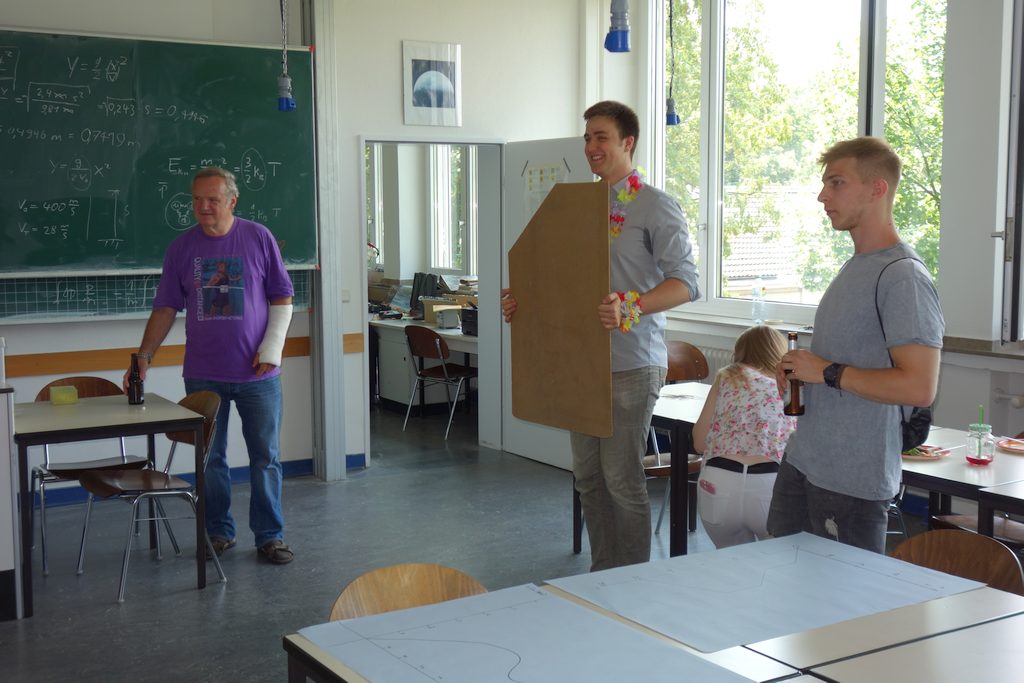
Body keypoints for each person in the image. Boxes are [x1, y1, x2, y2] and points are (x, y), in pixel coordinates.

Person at [502, 101, 700, 570]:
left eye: (601, 137)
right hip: (581, 364)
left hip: (631, 365)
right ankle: (603, 572)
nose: (591, 146)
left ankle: (630, 582)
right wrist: (523, 301)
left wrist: (630, 306)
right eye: (587, 137)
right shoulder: (577, 205)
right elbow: (562, 278)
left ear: (628, 143)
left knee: (621, 480)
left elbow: (687, 283)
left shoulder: (655, 205)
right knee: (588, 478)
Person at [768, 137, 944, 554]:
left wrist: (826, 372)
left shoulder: (903, 276)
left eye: (836, 183)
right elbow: (838, 363)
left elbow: (919, 387)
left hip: (851, 481)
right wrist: (799, 369)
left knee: (843, 597)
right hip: (806, 460)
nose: (822, 196)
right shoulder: (855, 267)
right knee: (781, 585)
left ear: (877, 189)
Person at [126, 166, 296, 565]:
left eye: (213, 200)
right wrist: (143, 356)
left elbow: (282, 296)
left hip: (258, 375)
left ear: (232, 201)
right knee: (211, 459)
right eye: (197, 199)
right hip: (203, 373)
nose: (203, 207)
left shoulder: (258, 237)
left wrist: (271, 348)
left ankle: (270, 536)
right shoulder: (181, 248)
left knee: (265, 458)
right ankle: (219, 532)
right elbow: (166, 307)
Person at [692, 326, 796, 548]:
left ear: (739, 352)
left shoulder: (727, 376)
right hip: (770, 485)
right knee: (776, 562)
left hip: (718, 482)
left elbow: (699, 443)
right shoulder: (790, 386)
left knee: (730, 562)